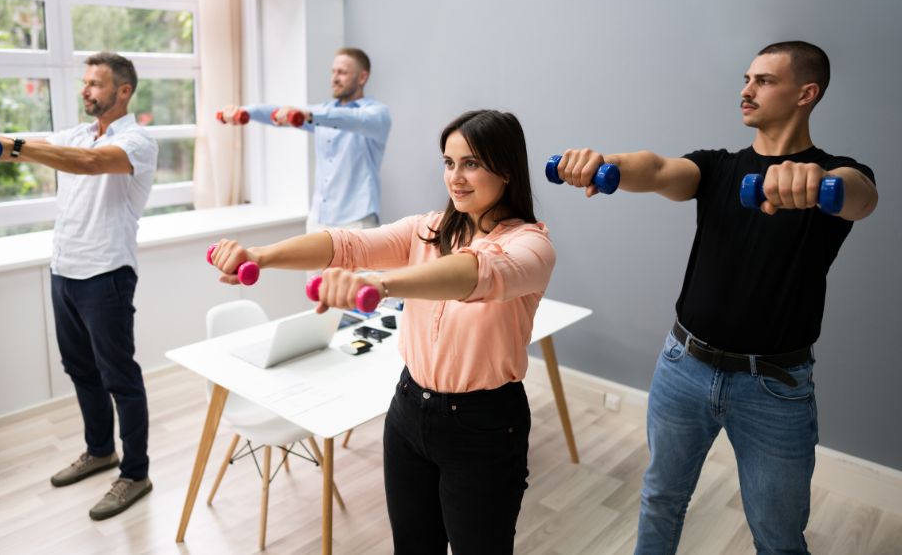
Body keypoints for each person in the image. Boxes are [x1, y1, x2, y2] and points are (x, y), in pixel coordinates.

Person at [553, 41, 878, 554]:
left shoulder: (834, 174)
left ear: (806, 93)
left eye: (764, 81)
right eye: (747, 79)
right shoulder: (717, 168)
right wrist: (604, 162)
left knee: (778, 538)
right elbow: (657, 170)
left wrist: (818, 181)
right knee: (661, 498)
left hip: (773, 389)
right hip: (683, 366)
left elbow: (861, 196)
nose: (746, 90)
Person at [209, 109, 555, 554]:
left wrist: (381, 283)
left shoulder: (531, 245)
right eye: (448, 163)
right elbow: (347, 245)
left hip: (484, 426)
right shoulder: (427, 230)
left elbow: (477, 273)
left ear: (505, 168)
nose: (456, 177)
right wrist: (260, 254)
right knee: (412, 547)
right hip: (409, 410)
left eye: (471, 163)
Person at [0, 52, 158, 520]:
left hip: (106, 273)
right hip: (65, 270)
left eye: (97, 84)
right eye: (85, 83)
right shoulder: (77, 132)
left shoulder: (139, 141)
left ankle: (135, 473)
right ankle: (100, 449)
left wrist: (17, 146)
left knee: (119, 377)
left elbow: (86, 164)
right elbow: (13, 146)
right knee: (80, 369)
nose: (87, 91)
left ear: (123, 91)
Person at [221, 47, 391, 232]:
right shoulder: (320, 112)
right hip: (319, 221)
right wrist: (245, 111)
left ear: (362, 78)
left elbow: (350, 119)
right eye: (333, 72)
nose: (334, 78)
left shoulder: (377, 115)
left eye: (342, 73)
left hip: (356, 222)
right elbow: (277, 112)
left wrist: (309, 115)